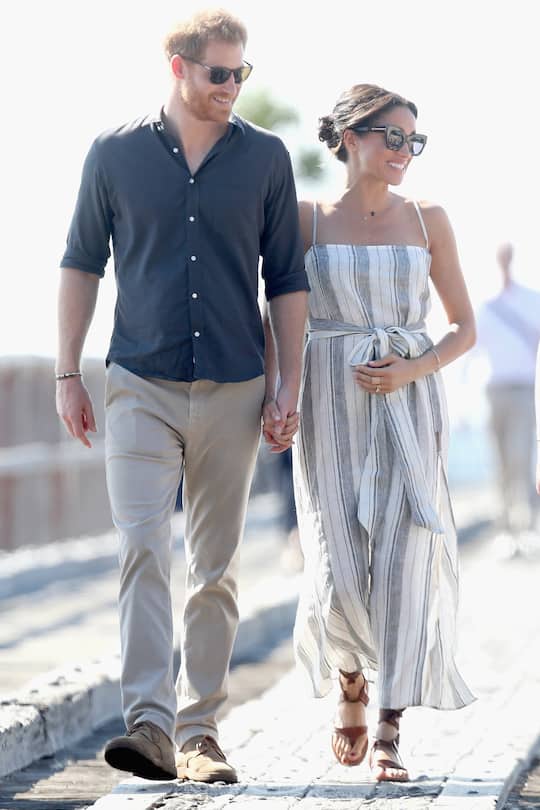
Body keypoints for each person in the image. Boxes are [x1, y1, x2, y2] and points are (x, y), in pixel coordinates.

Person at [56, 8, 308, 784]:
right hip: (139, 382)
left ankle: (200, 733)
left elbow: (286, 279)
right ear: (179, 67)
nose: (232, 86)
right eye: (219, 73)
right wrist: (67, 372)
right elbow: (81, 263)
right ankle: (151, 726)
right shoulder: (114, 153)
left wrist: (289, 385)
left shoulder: (265, 158)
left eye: (241, 73)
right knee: (141, 549)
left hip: (236, 386)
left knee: (215, 567)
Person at [265, 83, 476, 782]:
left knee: (406, 558)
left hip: (411, 405)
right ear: (352, 136)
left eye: (414, 141)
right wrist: (278, 393)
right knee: (337, 561)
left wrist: (414, 368)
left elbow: (463, 327)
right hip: (328, 402)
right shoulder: (304, 220)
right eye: (393, 137)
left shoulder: (428, 217)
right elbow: (279, 314)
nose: (404, 151)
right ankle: (350, 674)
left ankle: (389, 725)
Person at [475, 243, 540, 554]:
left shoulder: (532, 301)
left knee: (522, 460)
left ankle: (527, 528)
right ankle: (505, 531)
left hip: (524, 391)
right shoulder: (487, 306)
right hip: (494, 392)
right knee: (499, 462)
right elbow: (471, 352)